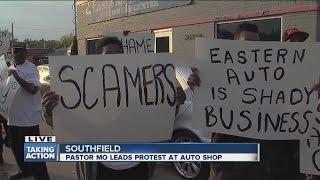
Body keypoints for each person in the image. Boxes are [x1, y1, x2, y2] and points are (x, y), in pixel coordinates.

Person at [42, 36, 186, 180]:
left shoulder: (140, 89)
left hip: (138, 168)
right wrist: (51, 111)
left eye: (118, 56)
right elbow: (68, 126)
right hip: (99, 170)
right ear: (99, 61)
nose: (114, 60)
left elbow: (158, 121)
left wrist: (174, 104)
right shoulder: (87, 92)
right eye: (108, 56)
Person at [190, 23, 306, 180]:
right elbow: (210, 107)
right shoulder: (220, 76)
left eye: (256, 44)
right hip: (230, 168)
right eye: (247, 44)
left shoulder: (276, 77)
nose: (252, 49)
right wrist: (198, 86)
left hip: (270, 166)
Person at [8, 42, 50, 180]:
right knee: (17, 149)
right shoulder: (10, 68)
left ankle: (42, 177)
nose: (17, 54)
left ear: (25, 53)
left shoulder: (31, 68)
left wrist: (16, 77)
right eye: (14, 52)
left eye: (20, 52)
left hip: (29, 120)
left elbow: (33, 90)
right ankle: (25, 171)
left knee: (35, 154)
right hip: (13, 118)